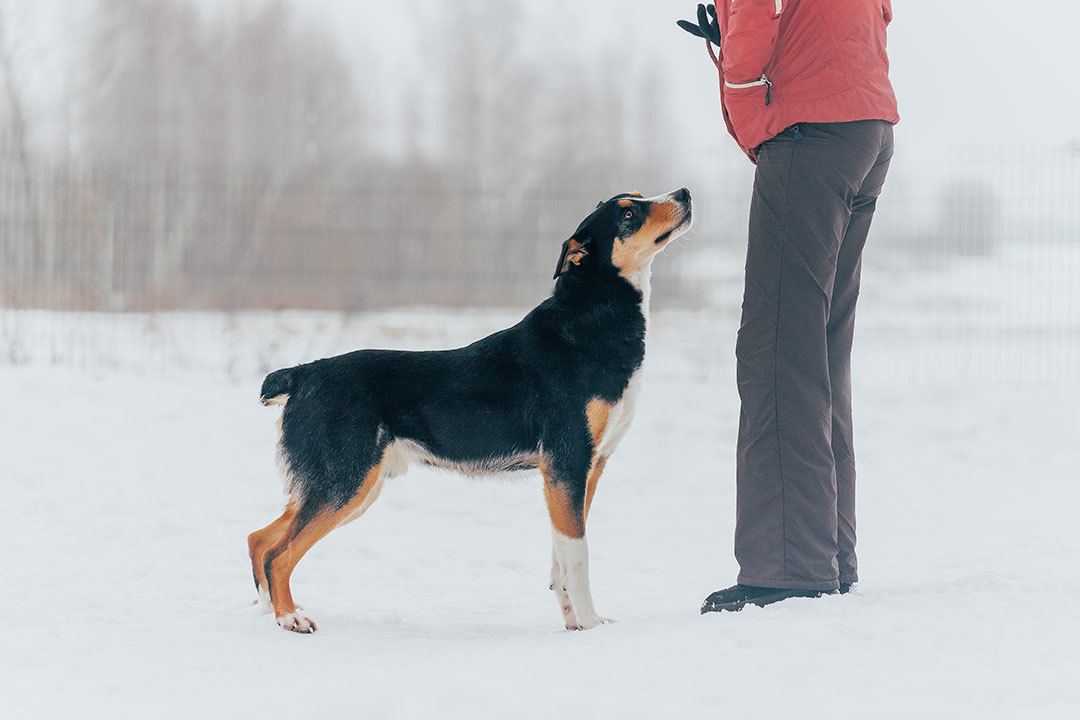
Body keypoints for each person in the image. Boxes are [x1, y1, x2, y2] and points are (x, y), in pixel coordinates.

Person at [679, 1, 899, 612]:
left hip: (811, 128)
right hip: (865, 124)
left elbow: (754, 19)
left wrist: (741, 83)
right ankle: (829, 554)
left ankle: (787, 569)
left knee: (777, 349)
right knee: (821, 348)